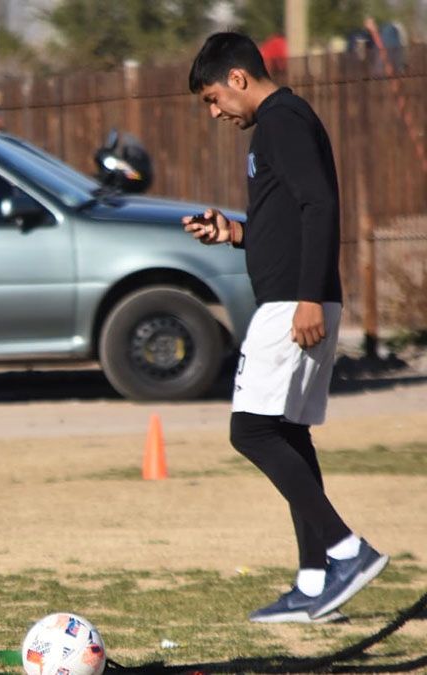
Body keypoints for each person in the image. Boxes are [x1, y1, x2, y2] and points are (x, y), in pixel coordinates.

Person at [184, 32, 388, 624]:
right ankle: (314, 580)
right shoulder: (276, 125)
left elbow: (321, 205)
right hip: (296, 298)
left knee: (250, 431)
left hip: (292, 305)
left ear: (239, 79)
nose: (215, 112)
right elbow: (289, 216)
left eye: (213, 99)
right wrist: (234, 232)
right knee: (290, 432)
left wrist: (307, 299)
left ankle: (348, 551)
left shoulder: (283, 120)